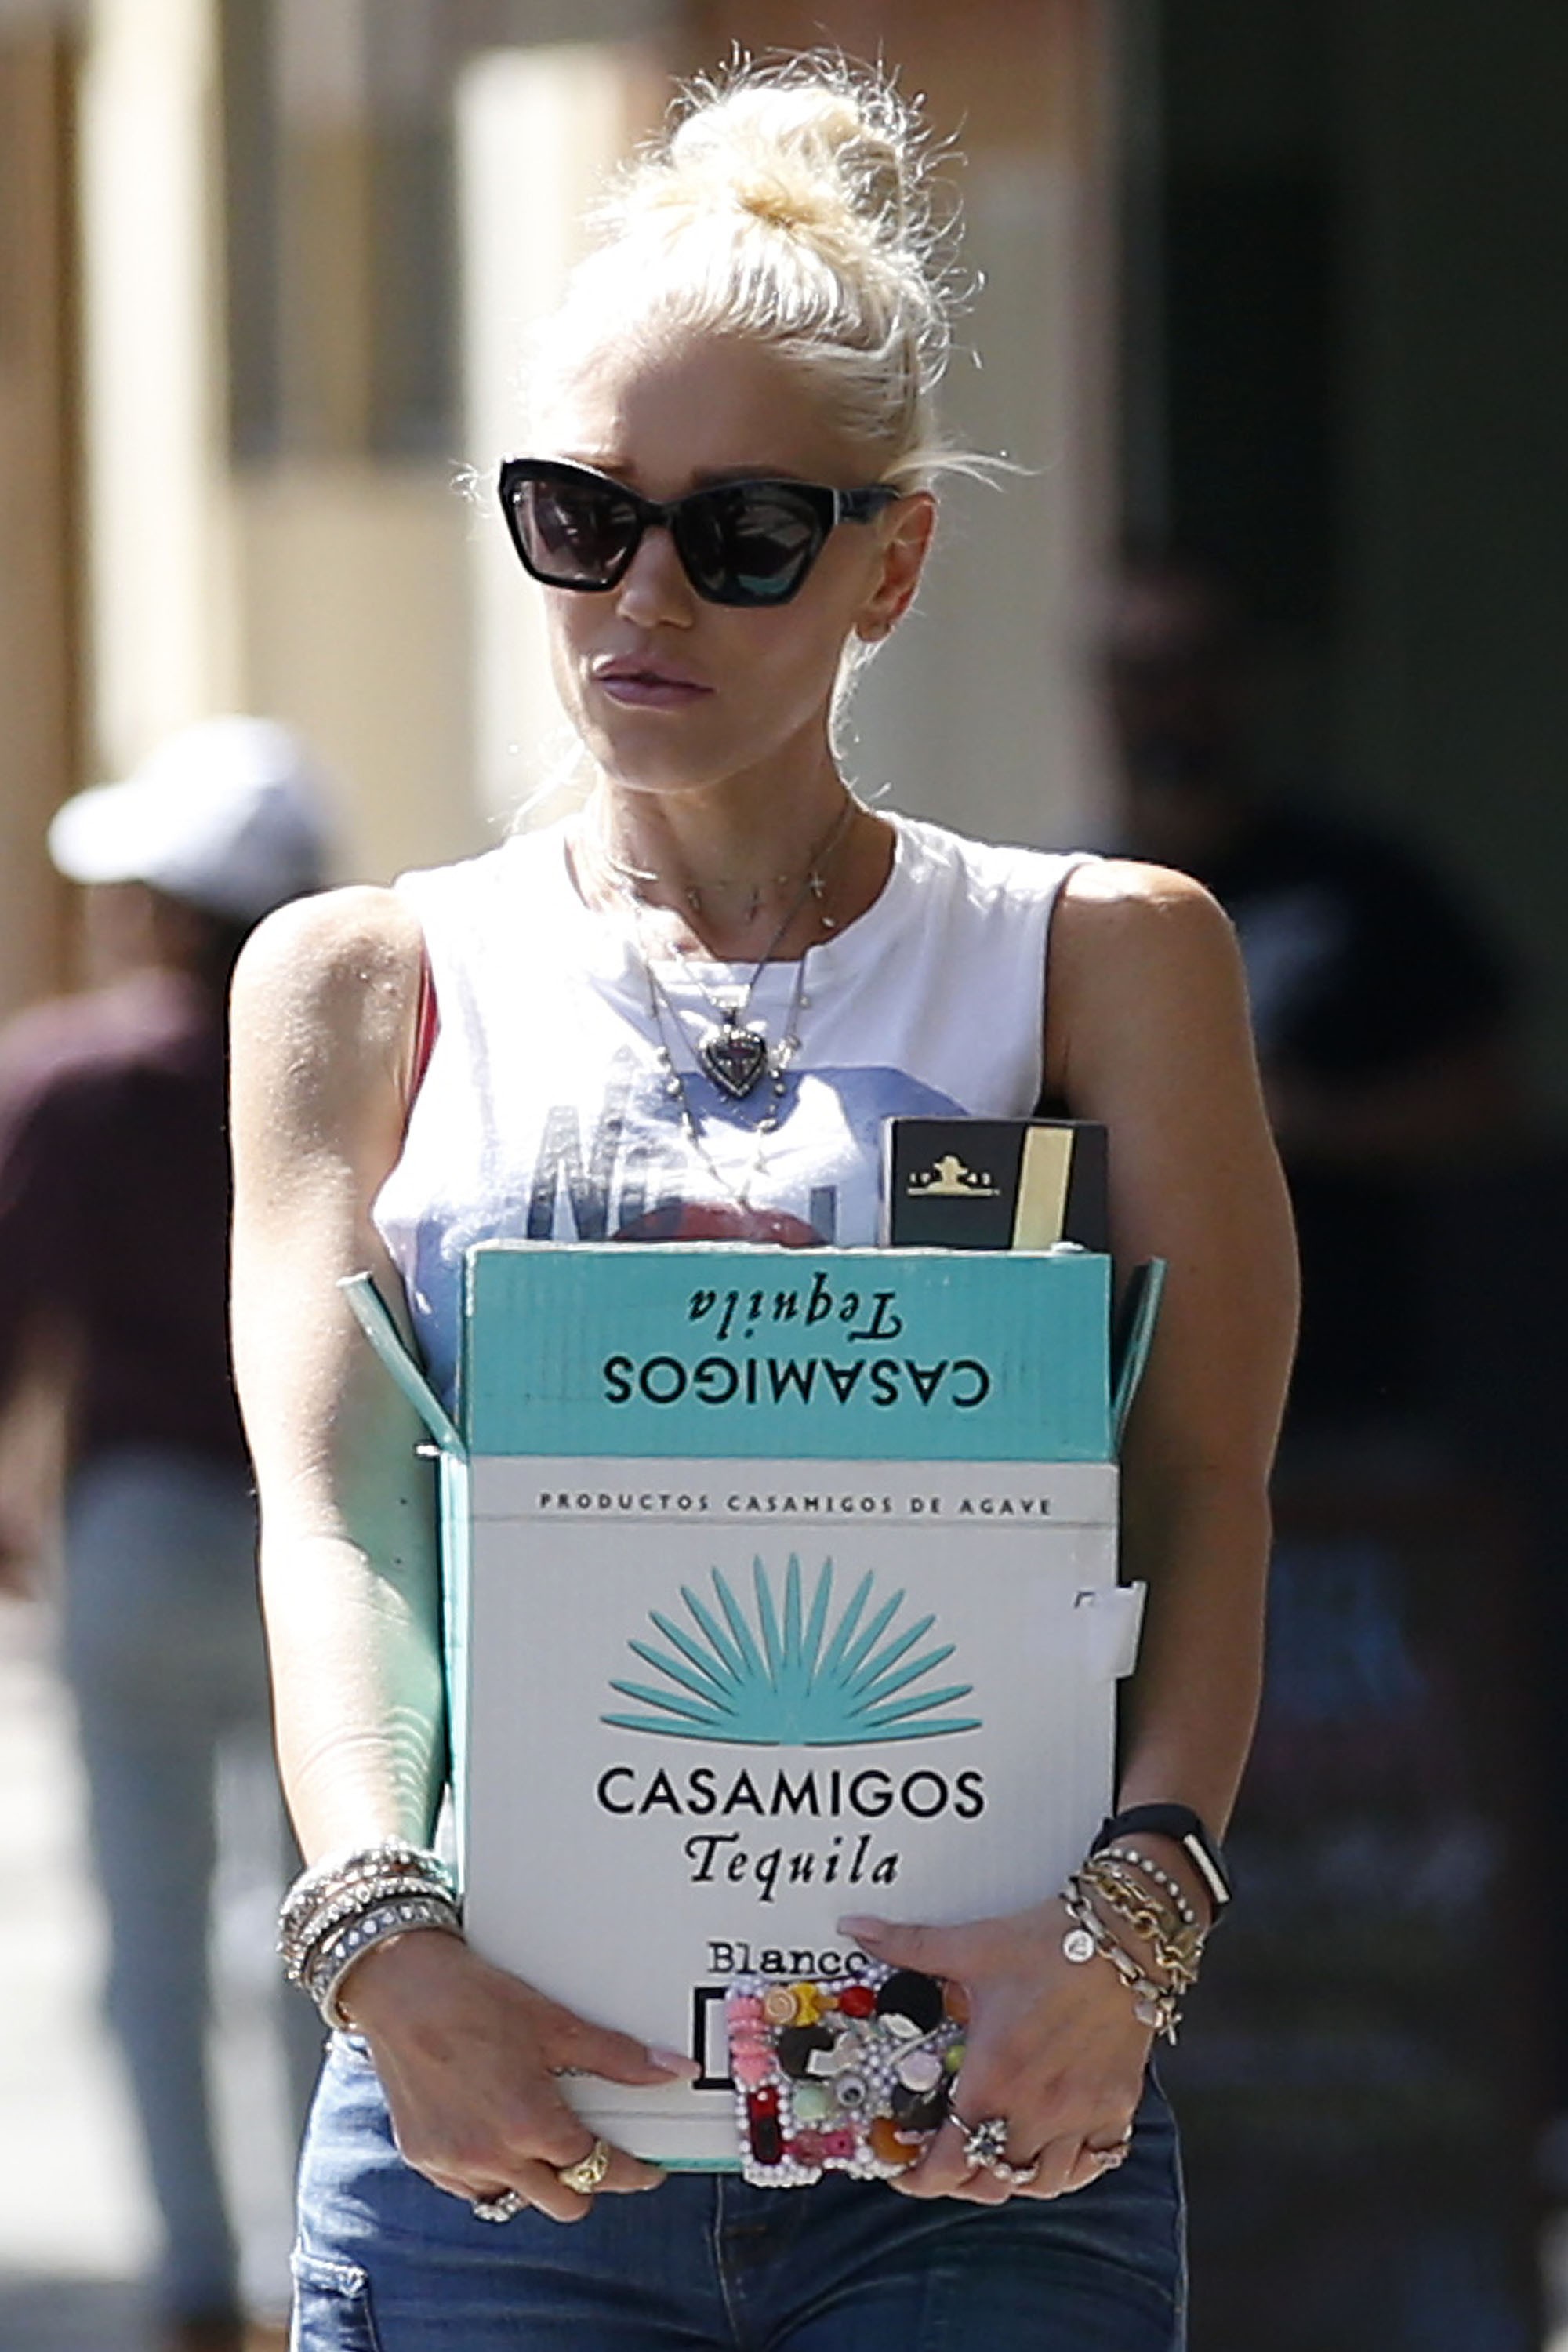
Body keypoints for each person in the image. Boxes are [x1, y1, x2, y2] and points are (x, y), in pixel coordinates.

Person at [229, 60, 1297, 2351]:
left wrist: (1132, 1937)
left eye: (737, 535)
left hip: (964, 2114)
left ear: (887, 562)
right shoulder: (361, 980)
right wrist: (376, 1943)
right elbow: (335, 1524)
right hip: (506, 2102)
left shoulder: (1096, 959)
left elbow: (1203, 1485)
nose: (641, 591)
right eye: (578, 515)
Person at [0, 717, 331, 2352]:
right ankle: (312, 2266)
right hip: (324, 1538)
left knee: (148, 1928)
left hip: (133, 1530)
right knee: (326, 1922)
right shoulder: (361, 1066)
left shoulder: (69, 1077)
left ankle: (194, 2281)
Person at [1101, 554, 1520, 1435]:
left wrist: (1303, 1120)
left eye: (1199, 666)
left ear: (1247, 682)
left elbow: (1487, 1097)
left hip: (1356, 1374)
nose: (1175, 703)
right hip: (1138, 1384)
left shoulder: (1363, 881)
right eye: (1143, 675)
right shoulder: (1070, 899)